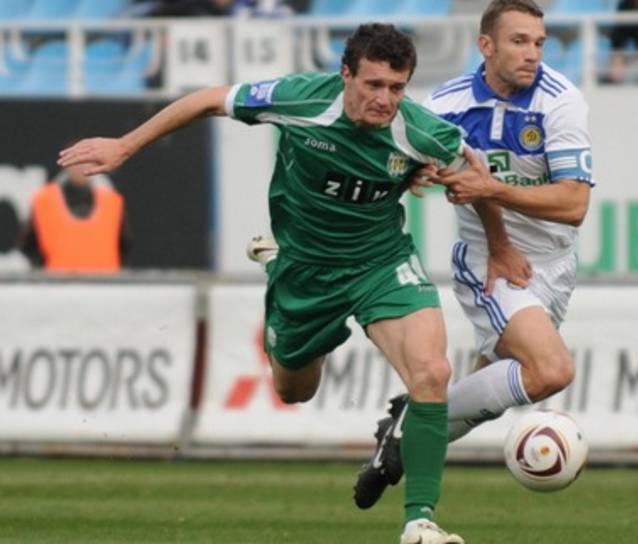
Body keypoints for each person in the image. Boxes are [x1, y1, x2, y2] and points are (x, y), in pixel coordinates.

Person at [58, 22, 532, 544]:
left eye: (396, 88)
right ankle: (285, 281)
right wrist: (125, 146)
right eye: (373, 84)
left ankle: (419, 522)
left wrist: (500, 246)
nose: (384, 99)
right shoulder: (300, 99)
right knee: (294, 390)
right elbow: (210, 100)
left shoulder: (420, 131)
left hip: (380, 264)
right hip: (305, 271)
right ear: (345, 75)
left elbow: (477, 177)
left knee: (432, 372)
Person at [353, 0, 593, 510]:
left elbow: (574, 204)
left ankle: (399, 442)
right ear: (486, 45)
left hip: (555, 264)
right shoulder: (447, 104)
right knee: (550, 370)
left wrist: (492, 187)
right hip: (491, 261)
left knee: (487, 396)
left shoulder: (561, 101)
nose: (533, 53)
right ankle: (410, 422)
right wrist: (414, 172)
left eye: (539, 42)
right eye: (519, 41)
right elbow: (398, 158)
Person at [20, 162, 130, 273]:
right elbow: (29, 245)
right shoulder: (44, 200)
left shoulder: (112, 202)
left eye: (85, 161)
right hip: (57, 281)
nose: (80, 167)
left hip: (105, 281)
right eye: (76, 161)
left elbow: (124, 245)